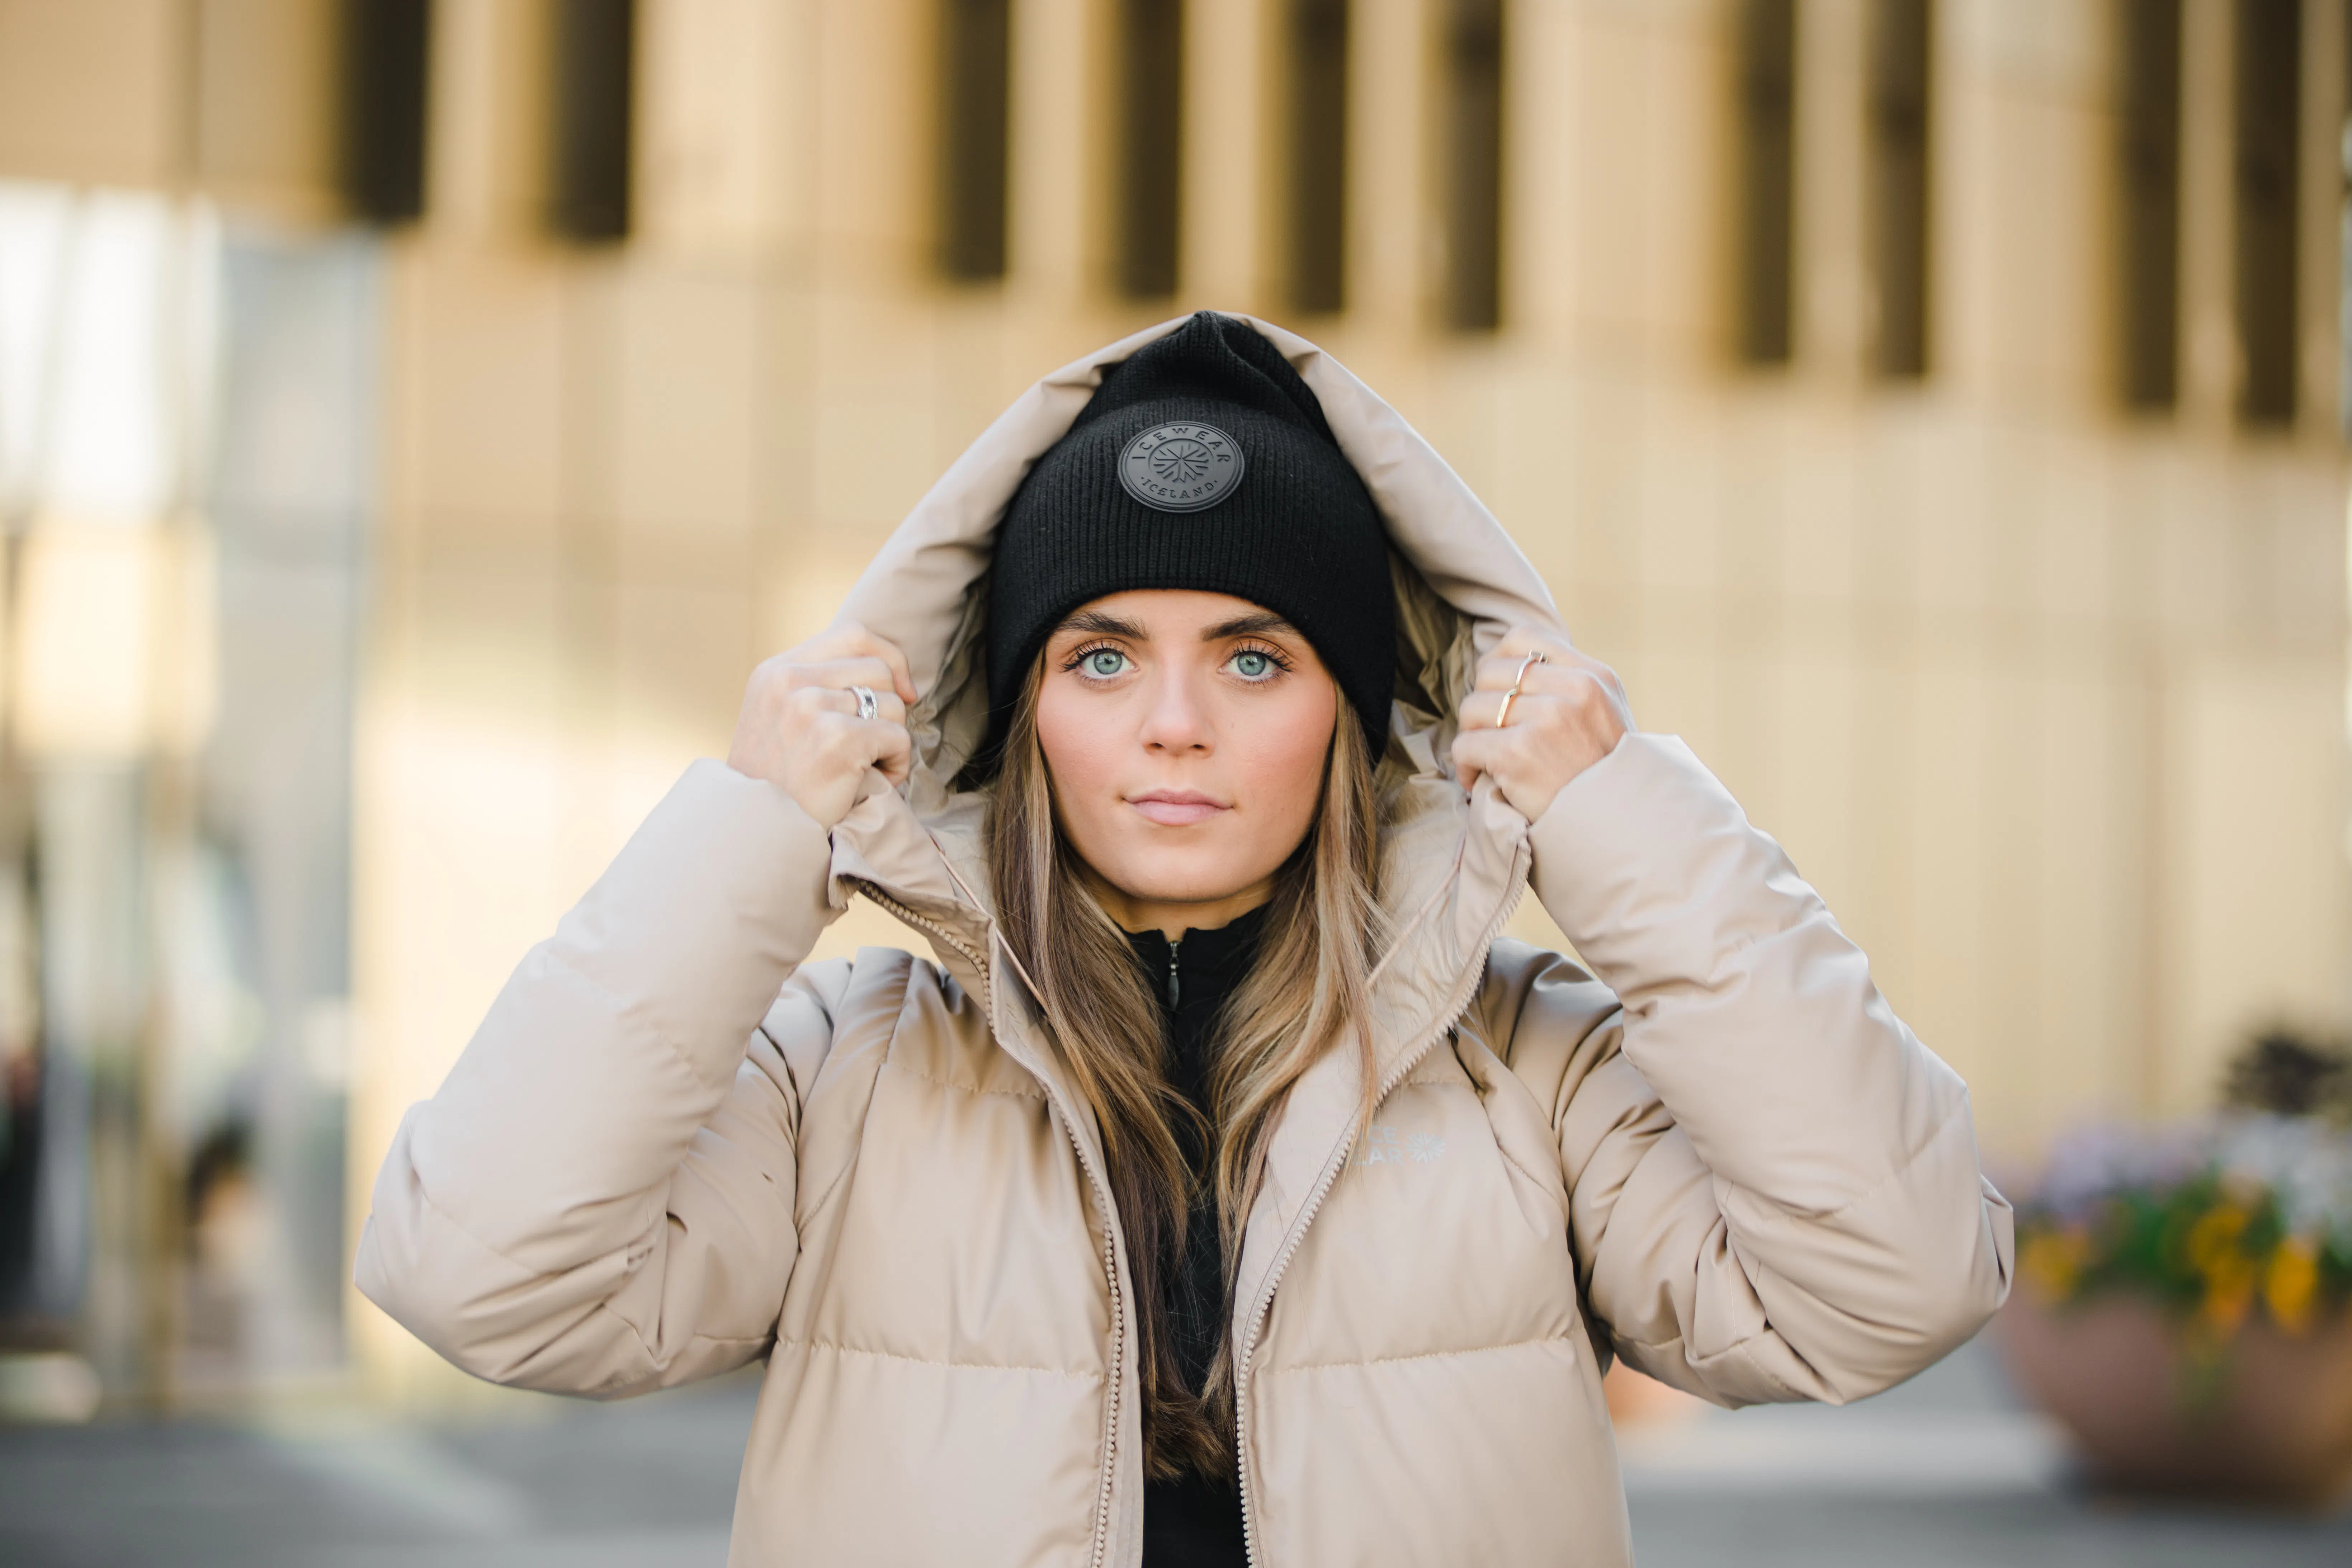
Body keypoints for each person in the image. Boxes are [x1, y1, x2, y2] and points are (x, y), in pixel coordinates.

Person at [356, 312, 2014, 1567]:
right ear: (1010, 715)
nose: (1171, 727)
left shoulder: (1533, 1067)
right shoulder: (844, 1070)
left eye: (1250, 657)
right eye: (1096, 657)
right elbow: (485, 1280)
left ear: (1355, 720)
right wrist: (756, 829)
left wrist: (1623, 823)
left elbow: (1891, 1282)